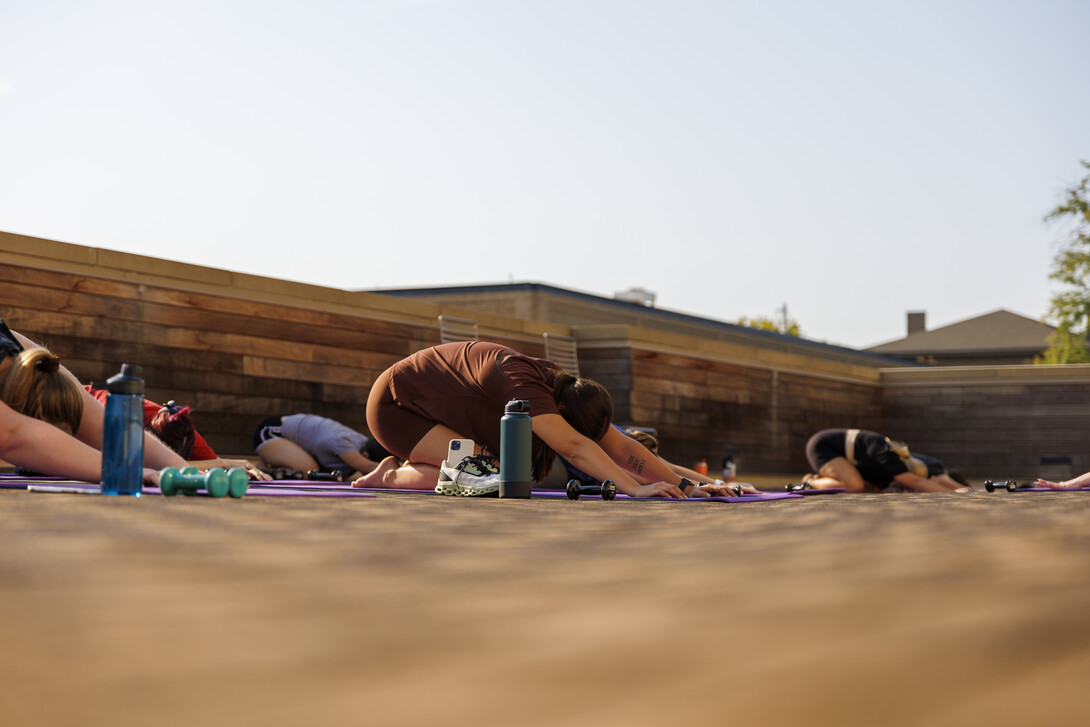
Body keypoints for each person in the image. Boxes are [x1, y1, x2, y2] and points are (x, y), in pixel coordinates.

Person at [351, 341, 736, 498]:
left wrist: (700, 485)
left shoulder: (565, 390)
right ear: (563, 413)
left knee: (494, 470)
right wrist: (635, 491)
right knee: (489, 476)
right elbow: (576, 446)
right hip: (396, 408)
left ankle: (414, 466)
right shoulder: (527, 388)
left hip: (433, 409)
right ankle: (388, 476)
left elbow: (622, 447)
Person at [0, 320, 161, 485]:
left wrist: (182, 469)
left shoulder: (20, 350)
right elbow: (12, 436)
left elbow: (98, 423)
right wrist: (124, 470)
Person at [82, 386, 270, 480]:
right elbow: (150, 465)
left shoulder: (182, 429)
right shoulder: (115, 419)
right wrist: (223, 463)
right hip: (71, 404)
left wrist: (236, 465)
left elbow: (211, 463)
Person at [796, 428, 972, 493]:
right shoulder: (888, 458)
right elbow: (916, 480)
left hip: (848, 450)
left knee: (862, 487)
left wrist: (962, 490)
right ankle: (811, 481)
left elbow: (928, 479)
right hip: (822, 446)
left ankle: (821, 478)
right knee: (855, 485)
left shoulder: (892, 459)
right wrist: (956, 492)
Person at [253, 413, 391, 477]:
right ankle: (264, 470)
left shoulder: (364, 443)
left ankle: (271, 464)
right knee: (308, 471)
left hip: (290, 439)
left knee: (320, 473)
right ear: (365, 455)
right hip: (271, 431)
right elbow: (372, 467)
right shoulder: (344, 444)